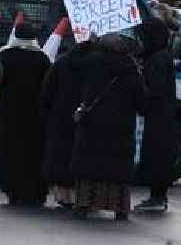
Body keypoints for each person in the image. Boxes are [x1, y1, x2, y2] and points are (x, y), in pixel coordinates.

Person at [70, 34, 147, 221]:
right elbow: (142, 104)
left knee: (89, 166)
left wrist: (86, 43)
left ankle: (83, 204)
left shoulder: (92, 63)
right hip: (121, 128)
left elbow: (72, 63)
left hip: (92, 125)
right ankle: (120, 208)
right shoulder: (131, 70)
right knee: (117, 170)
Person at [0, 22, 51, 205]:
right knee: (33, 153)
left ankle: (12, 189)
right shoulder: (42, 58)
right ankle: (35, 191)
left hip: (9, 113)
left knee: (10, 151)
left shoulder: (5, 55)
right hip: (34, 115)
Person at [40, 40, 93, 210]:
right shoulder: (95, 65)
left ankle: (62, 196)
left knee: (60, 155)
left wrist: (49, 110)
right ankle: (80, 197)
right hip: (86, 116)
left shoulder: (62, 62)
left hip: (60, 115)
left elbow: (47, 90)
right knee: (80, 155)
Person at [134, 18, 177, 213]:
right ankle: (157, 196)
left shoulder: (157, 59)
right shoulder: (160, 56)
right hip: (163, 114)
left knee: (156, 155)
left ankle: (157, 197)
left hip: (158, 115)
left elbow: (154, 89)